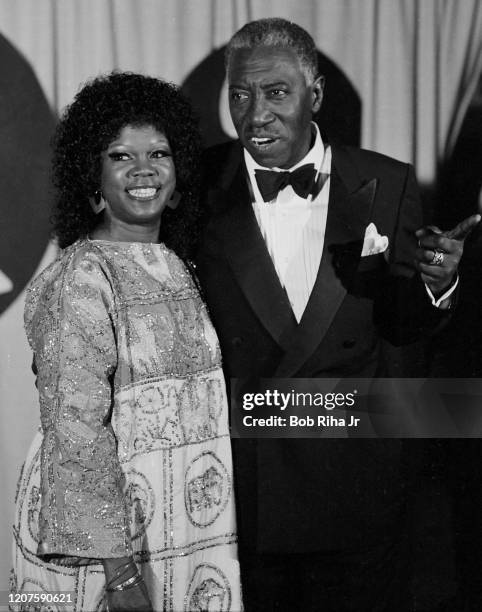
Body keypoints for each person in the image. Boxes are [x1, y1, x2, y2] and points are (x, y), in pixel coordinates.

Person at [195, 18, 480, 611]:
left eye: (276, 93)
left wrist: (439, 285)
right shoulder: (196, 186)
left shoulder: (388, 181)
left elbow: (403, 335)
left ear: (315, 94)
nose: (255, 115)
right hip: (244, 492)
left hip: (359, 489)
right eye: (240, 95)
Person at [11, 72, 242, 612]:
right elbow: (77, 433)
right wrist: (119, 575)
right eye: (121, 156)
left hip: (185, 522)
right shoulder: (82, 277)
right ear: (91, 178)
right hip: (105, 545)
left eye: (159, 152)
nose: (144, 170)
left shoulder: (178, 266)